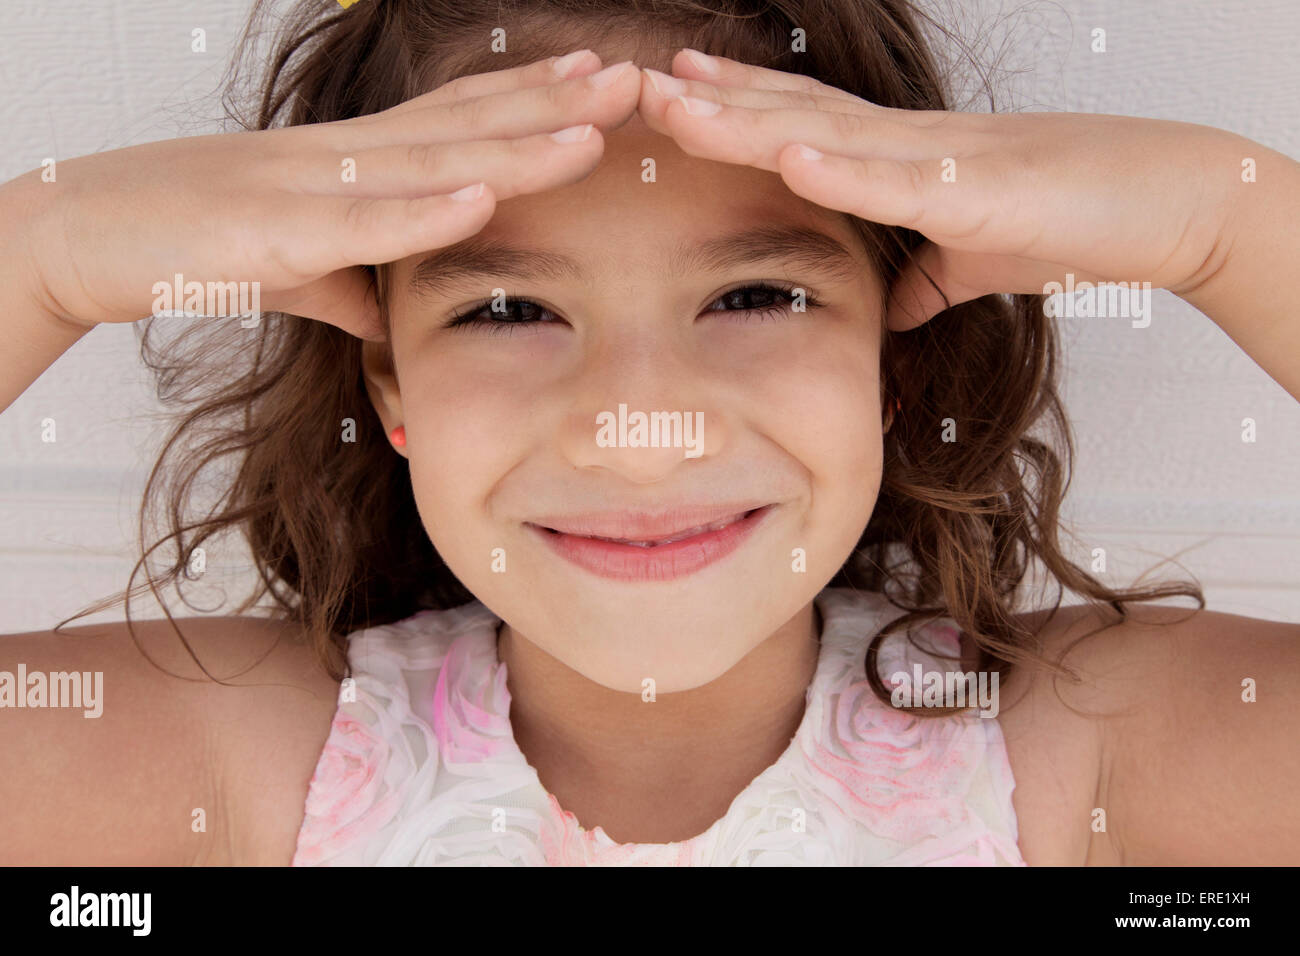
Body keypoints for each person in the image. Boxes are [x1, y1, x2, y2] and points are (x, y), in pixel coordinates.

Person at [1, 0, 1297, 865]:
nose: (641, 432)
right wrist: (45, 250)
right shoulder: (253, 763)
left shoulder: (1075, 751)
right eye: (509, 309)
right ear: (392, 389)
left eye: (756, 295)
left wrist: (1229, 217)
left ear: (894, 364)